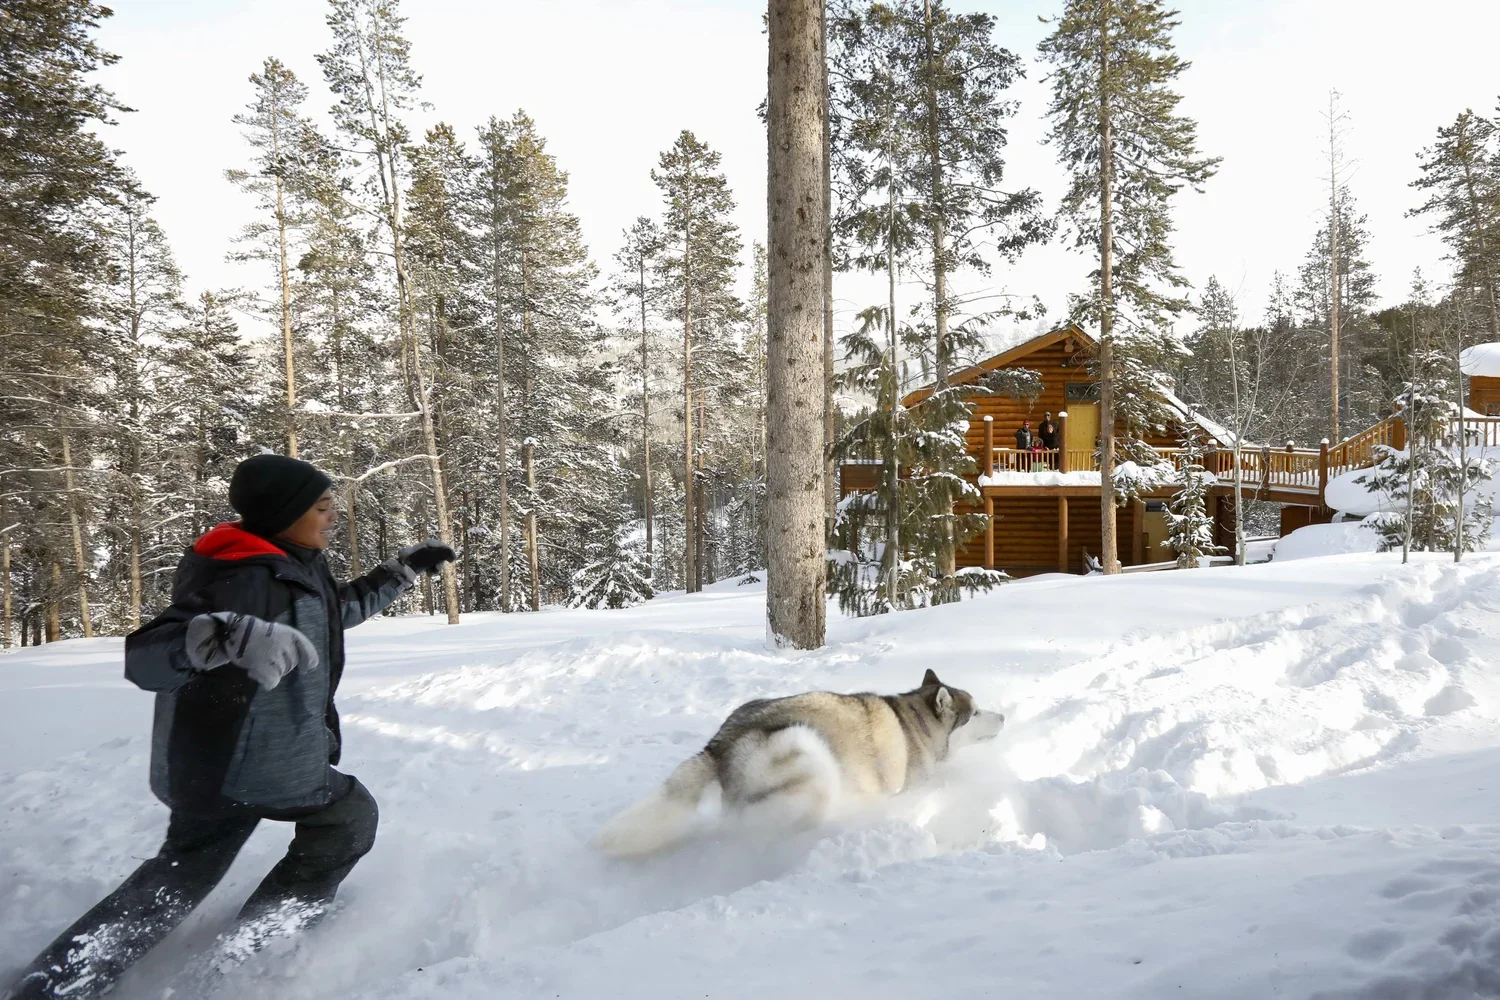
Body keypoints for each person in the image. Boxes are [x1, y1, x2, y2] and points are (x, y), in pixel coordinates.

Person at [5, 455, 456, 1000]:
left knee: (182, 872)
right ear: (282, 513)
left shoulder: (290, 562)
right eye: (321, 505)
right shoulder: (243, 578)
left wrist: (400, 572)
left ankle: (54, 984)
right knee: (347, 817)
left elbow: (334, 609)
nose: (333, 513)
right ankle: (261, 941)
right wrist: (215, 636)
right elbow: (146, 655)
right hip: (257, 762)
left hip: (210, 764)